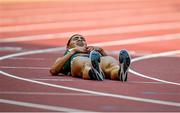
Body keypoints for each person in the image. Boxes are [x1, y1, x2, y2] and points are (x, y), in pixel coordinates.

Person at [50, 34, 131, 82]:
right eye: (76, 39)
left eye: (82, 39)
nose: (80, 40)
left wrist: (101, 50)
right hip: (79, 61)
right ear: (68, 46)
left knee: (110, 61)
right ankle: (92, 72)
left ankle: (120, 73)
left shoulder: (92, 51)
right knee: (83, 62)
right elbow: (53, 70)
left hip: (96, 60)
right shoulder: (68, 53)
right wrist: (73, 51)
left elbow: (106, 61)